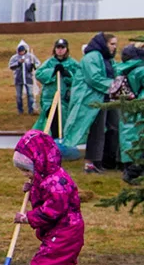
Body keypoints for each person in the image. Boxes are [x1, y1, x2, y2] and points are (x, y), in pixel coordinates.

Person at [11, 128, 83, 265]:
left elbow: (53, 210)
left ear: (40, 162)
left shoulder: (56, 183)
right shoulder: (45, 178)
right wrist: (33, 188)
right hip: (63, 229)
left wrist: (27, 218)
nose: (25, 174)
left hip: (67, 231)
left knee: (45, 263)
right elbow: (44, 194)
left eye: (27, 170)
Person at [62, 33, 121, 173]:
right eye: (112, 44)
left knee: (113, 128)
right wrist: (114, 85)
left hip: (107, 98)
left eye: (115, 44)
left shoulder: (107, 59)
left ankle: (105, 160)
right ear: (104, 43)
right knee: (97, 131)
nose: (114, 47)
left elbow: (116, 72)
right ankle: (91, 162)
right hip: (92, 99)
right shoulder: (91, 57)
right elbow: (94, 78)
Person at [35, 38, 78, 138]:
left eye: (62, 47)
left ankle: (62, 142)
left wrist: (67, 74)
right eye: (58, 47)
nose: (60, 50)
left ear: (66, 49)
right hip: (50, 99)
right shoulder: (49, 63)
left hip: (65, 100)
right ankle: (52, 142)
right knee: (51, 122)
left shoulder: (72, 63)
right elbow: (39, 74)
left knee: (64, 122)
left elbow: (79, 78)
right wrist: (52, 71)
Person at [119, 43, 144, 184]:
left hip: (127, 106)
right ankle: (134, 172)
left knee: (128, 136)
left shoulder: (123, 69)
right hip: (140, 104)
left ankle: (129, 167)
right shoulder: (141, 70)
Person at [9, 41, 38, 115]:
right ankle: (20, 110)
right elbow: (11, 66)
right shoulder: (14, 57)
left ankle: (31, 110)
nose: (21, 53)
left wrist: (33, 66)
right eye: (20, 51)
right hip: (18, 79)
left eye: (22, 51)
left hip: (29, 79)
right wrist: (18, 63)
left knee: (30, 94)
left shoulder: (30, 56)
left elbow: (38, 63)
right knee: (19, 96)